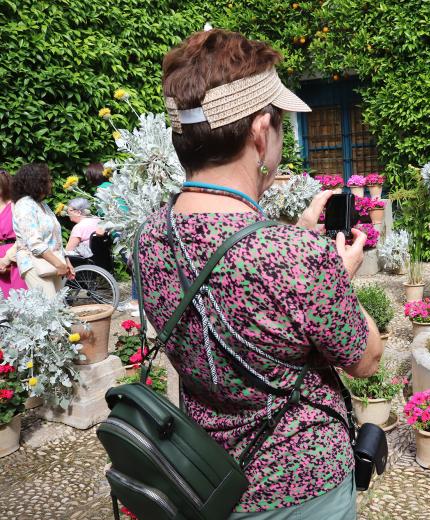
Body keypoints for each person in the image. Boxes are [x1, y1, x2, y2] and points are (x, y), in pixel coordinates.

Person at [137, 29, 383, 519]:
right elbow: (366, 359)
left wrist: (298, 234)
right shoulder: (292, 257)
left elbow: (224, 274)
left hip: (205, 474)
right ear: (259, 130)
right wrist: (332, 274)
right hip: (301, 488)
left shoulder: (150, 234)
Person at [11, 163, 74, 297]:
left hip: (54, 264)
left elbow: (55, 238)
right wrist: (59, 264)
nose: (51, 183)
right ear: (36, 182)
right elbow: (35, 243)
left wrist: (66, 262)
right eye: (48, 180)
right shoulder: (24, 205)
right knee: (50, 311)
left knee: (59, 309)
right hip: (35, 265)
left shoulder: (42, 205)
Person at [0, 170, 27, 296]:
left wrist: (6, 260)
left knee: (19, 299)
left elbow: (24, 235)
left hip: (16, 256)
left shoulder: (17, 205)